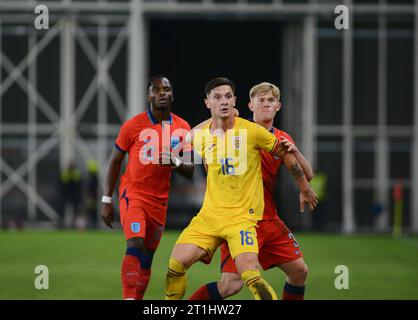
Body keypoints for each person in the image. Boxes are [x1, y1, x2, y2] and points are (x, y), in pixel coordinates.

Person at [165, 77, 317, 300]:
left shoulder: (281, 138)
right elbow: (201, 133)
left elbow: (307, 173)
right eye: (261, 100)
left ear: (278, 106)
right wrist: (184, 145)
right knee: (230, 285)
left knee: (299, 271)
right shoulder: (238, 129)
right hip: (235, 217)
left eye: (271, 100)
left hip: (266, 219)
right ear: (249, 106)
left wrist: (297, 162)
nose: (266, 104)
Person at [101, 75, 194, 300]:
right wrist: (106, 199)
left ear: (172, 94)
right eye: (156, 89)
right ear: (148, 96)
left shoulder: (183, 128)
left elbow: (190, 170)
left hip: (159, 201)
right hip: (133, 194)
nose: (161, 93)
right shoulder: (133, 125)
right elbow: (115, 162)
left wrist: (175, 162)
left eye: (166, 89)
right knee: (135, 242)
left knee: (147, 257)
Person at [59, 161, 82, 228]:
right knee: (62, 210)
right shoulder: (65, 173)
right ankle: (62, 224)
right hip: (66, 194)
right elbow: (61, 184)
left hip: (74, 194)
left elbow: (79, 185)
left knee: (76, 211)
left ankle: (75, 225)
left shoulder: (76, 173)